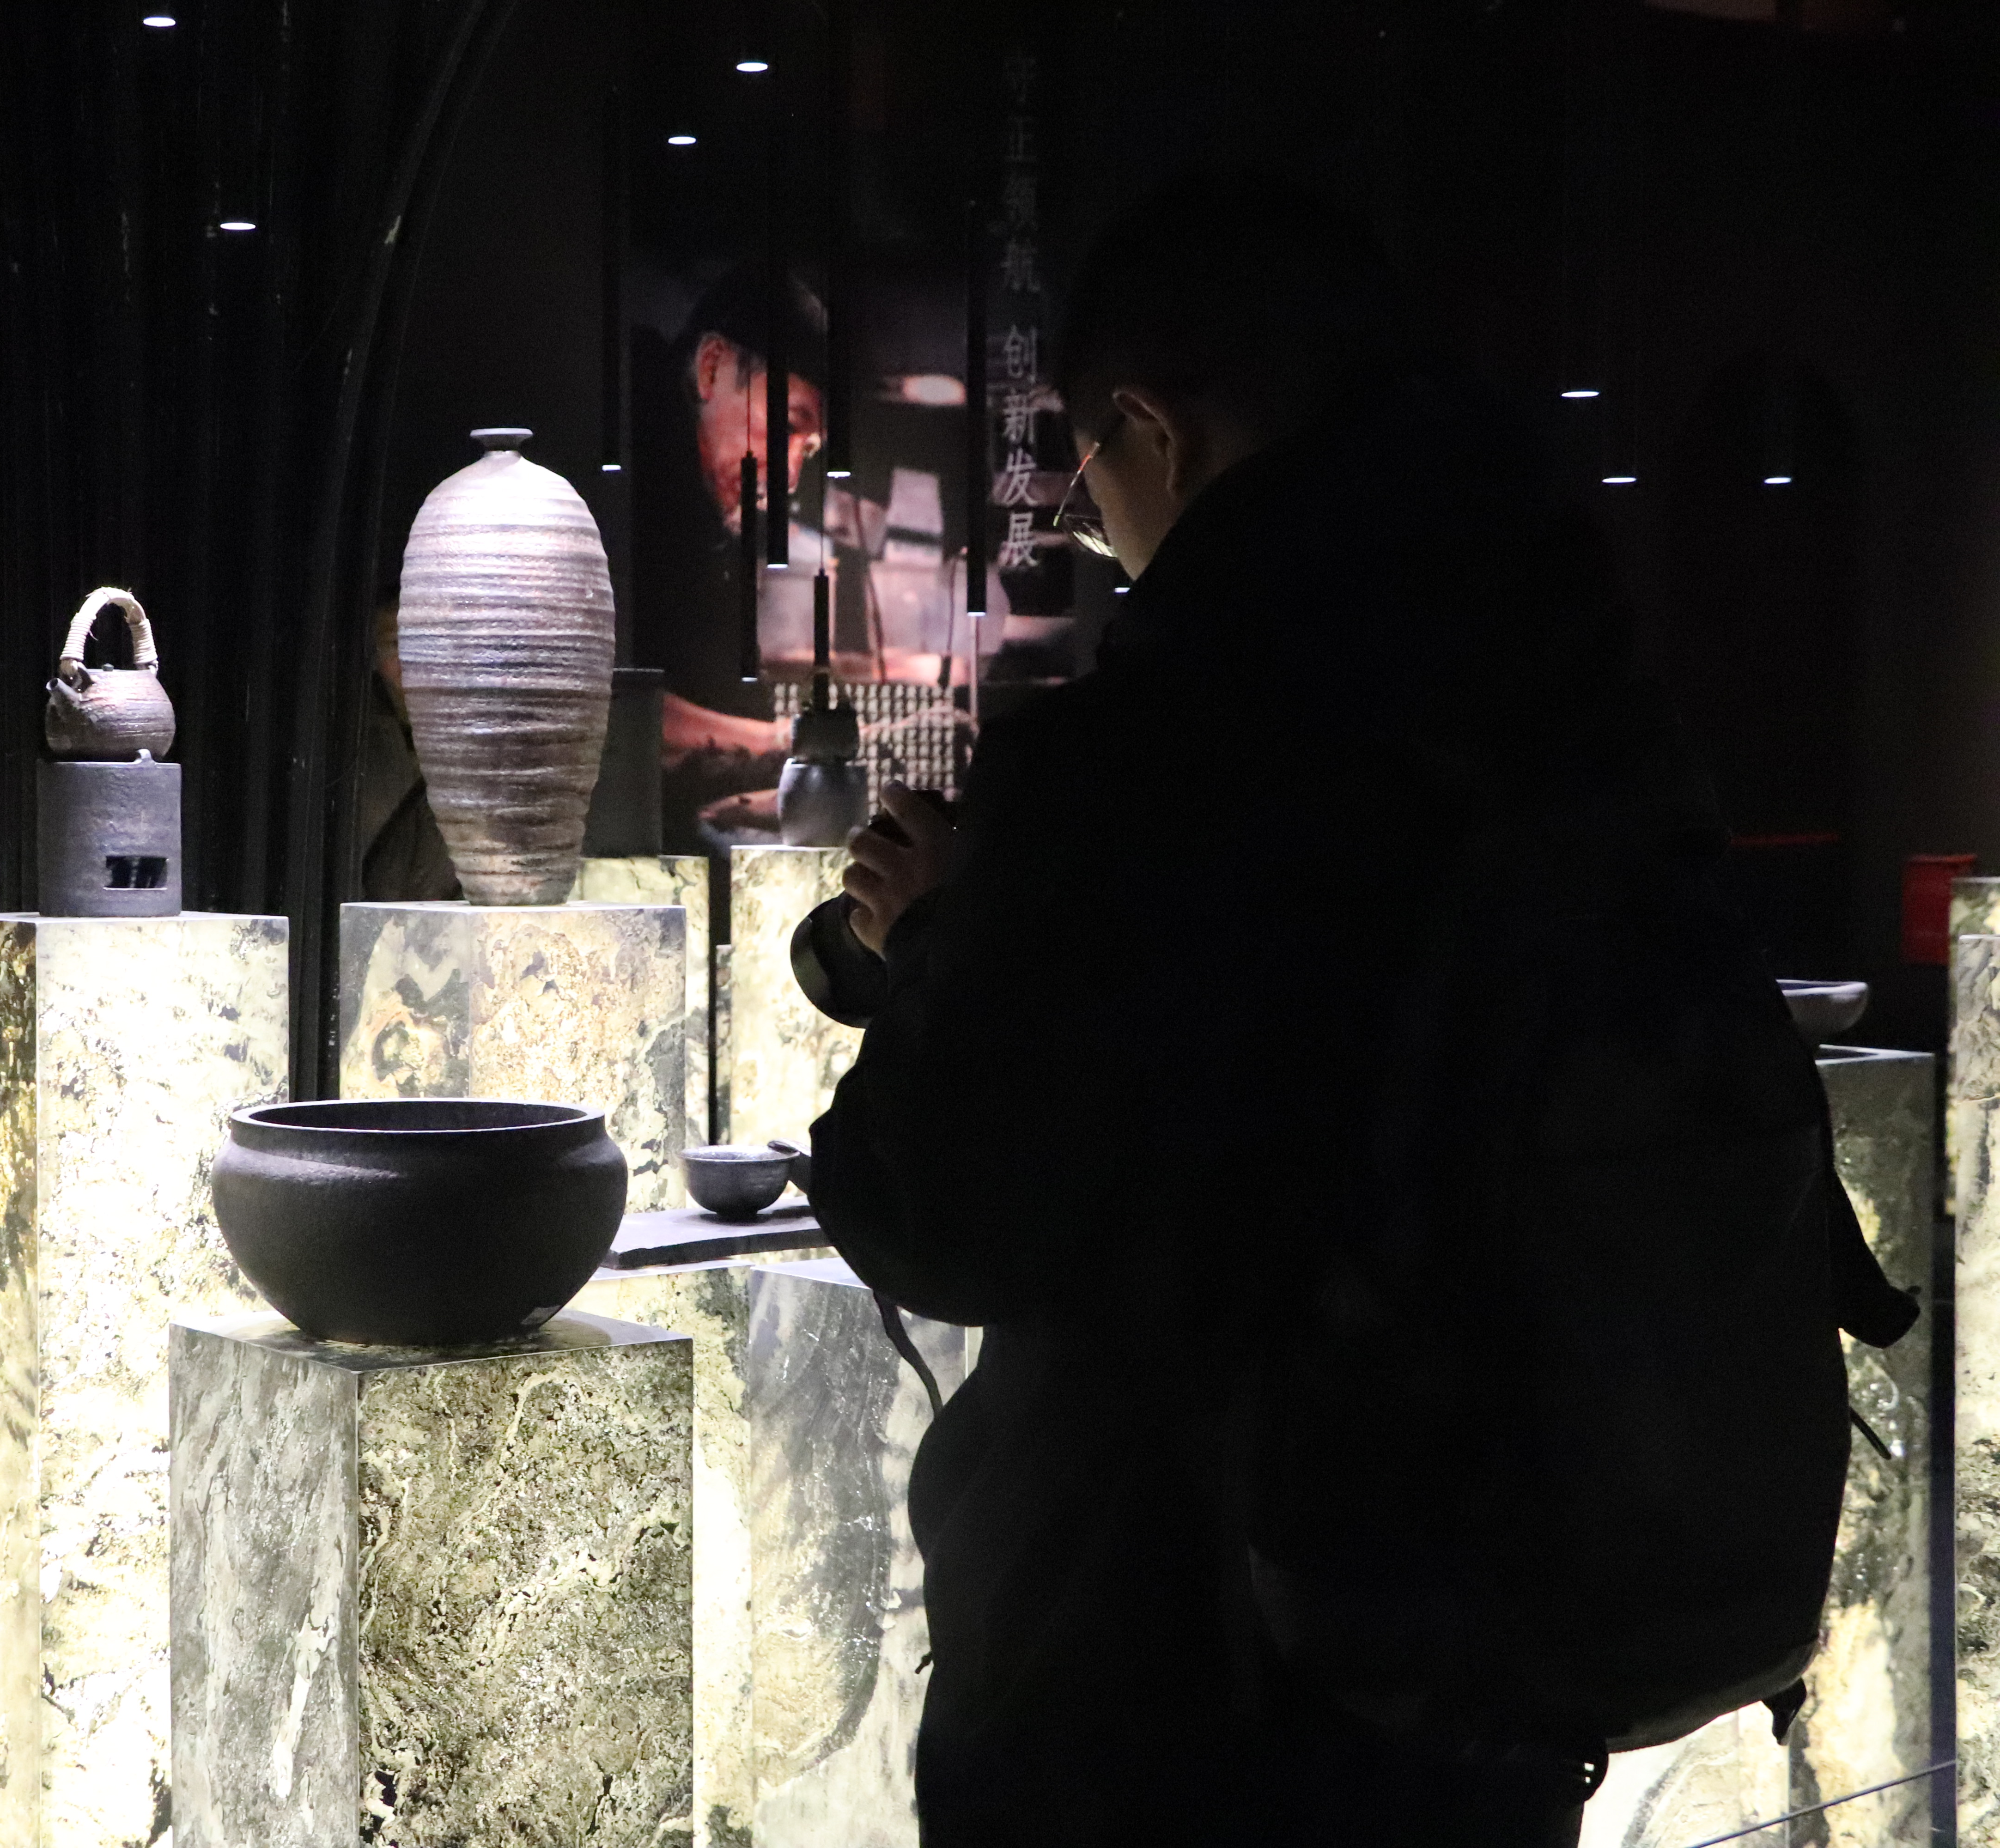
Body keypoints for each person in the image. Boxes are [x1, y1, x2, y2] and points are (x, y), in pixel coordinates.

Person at [808, 174, 1898, 1846]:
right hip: (1487, 1678)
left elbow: (947, 1210)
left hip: (1161, 1680)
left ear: (1152, 427)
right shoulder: (1580, 722)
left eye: (1088, 492)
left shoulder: (1154, 761)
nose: (1104, 534)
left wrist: (949, 932)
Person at [626, 261, 828, 853]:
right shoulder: (624, 456)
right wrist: (783, 741)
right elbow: (602, 708)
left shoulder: (715, 512)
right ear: (712, 366)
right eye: (785, 426)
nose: (790, 476)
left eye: (810, 450)